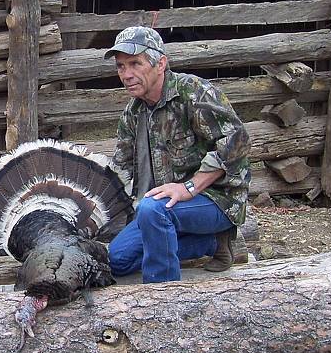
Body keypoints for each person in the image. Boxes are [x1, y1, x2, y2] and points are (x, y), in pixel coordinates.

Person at [105, 26, 250, 282]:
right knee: (116, 260)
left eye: (135, 64)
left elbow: (237, 142)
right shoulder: (133, 112)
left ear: (160, 64)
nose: (126, 74)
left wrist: (188, 188)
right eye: (121, 66)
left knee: (153, 209)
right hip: (161, 207)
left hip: (217, 200)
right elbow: (120, 167)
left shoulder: (194, 92)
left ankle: (164, 293)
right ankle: (212, 243)